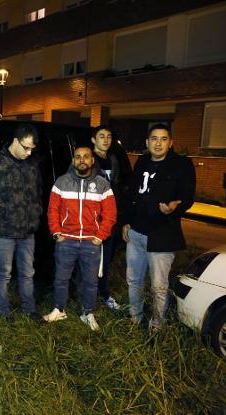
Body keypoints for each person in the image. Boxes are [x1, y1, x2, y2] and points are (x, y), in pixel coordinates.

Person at [122, 123, 196, 330]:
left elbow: (187, 196)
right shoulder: (142, 161)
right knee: (133, 280)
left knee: (158, 286)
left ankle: (157, 326)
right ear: (147, 142)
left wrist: (174, 208)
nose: (158, 143)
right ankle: (135, 317)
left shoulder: (181, 165)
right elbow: (131, 194)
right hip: (136, 233)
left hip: (161, 234)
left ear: (170, 143)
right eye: (154, 138)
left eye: (164, 139)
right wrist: (127, 221)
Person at [43, 146, 117, 331]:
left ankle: (87, 313)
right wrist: (56, 232)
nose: (82, 160)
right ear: (73, 161)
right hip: (66, 240)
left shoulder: (102, 184)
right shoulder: (61, 182)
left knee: (90, 281)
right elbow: (52, 210)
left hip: (91, 242)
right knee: (61, 278)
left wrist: (100, 237)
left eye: (86, 157)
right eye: (78, 157)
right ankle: (59, 309)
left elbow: (110, 214)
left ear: (92, 160)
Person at [0, 123, 43, 323]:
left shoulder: (32, 164)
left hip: (27, 231)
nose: (28, 152)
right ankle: (4, 312)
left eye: (32, 149)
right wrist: (0, 213)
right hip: (3, 231)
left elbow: (38, 192)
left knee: (27, 273)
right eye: (25, 147)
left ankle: (29, 309)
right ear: (15, 140)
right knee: (4, 274)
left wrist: (36, 211)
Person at [91, 126, 131, 310]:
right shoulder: (88, 159)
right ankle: (88, 297)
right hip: (92, 220)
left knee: (106, 260)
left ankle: (104, 294)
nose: (106, 140)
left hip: (109, 220)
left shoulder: (114, 160)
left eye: (108, 136)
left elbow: (118, 189)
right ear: (93, 140)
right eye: (101, 136)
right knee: (89, 260)